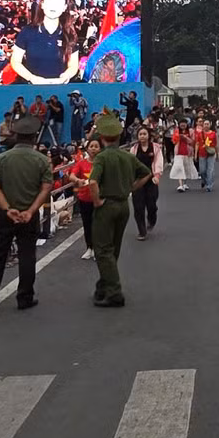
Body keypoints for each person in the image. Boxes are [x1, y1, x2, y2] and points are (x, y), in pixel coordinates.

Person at [0, 117, 53, 311]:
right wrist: (31, 210)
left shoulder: (2, 158)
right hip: (29, 214)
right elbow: (46, 188)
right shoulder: (42, 160)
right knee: (27, 255)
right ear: (34, 137)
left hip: (5, 214)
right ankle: (25, 297)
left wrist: (7, 208)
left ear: (16, 136)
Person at [86, 114, 149, 307]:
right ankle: (103, 286)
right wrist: (132, 187)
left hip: (106, 206)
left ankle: (114, 292)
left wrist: (97, 201)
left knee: (103, 250)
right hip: (123, 205)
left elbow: (93, 182)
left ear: (102, 137)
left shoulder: (101, 157)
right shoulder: (127, 156)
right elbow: (146, 173)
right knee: (113, 249)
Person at [11, 0, 81, 86]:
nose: (53, 5)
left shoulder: (70, 34)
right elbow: (15, 61)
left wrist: (65, 77)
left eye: (58, 1)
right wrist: (31, 78)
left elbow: (73, 65)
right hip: (32, 88)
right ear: (42, 4)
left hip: (59, 88)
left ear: (64, 7)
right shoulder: (27, 31)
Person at [132, 124, 164, 240]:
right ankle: (142, 231)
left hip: (151, 179)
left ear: (148, 135)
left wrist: (157, 175)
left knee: (151, 205)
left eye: (144, 134)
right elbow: (131, 163)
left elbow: (159, 162)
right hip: (138, 181)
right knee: (138, 207)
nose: (142, 136)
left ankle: (152, 218)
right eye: (140, 134)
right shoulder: (134, 149)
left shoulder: (155, 148)